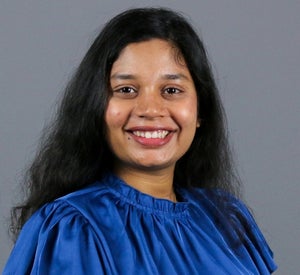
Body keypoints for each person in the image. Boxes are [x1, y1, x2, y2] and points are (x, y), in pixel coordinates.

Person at [3, 7, 277, 274]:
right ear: (96, 107)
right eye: (126, 89)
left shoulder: (226, 218)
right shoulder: (73, 228)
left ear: (200, 111)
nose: (150, 108)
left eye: (171, 89)